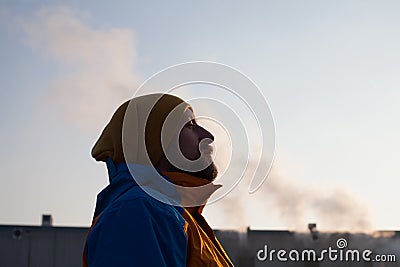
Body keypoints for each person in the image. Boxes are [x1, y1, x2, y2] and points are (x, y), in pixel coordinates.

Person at [82, 94, 234, 267]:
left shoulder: (177, 217)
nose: (208, 135)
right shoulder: (136, 211)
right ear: (152, 143)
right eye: (189, 125)